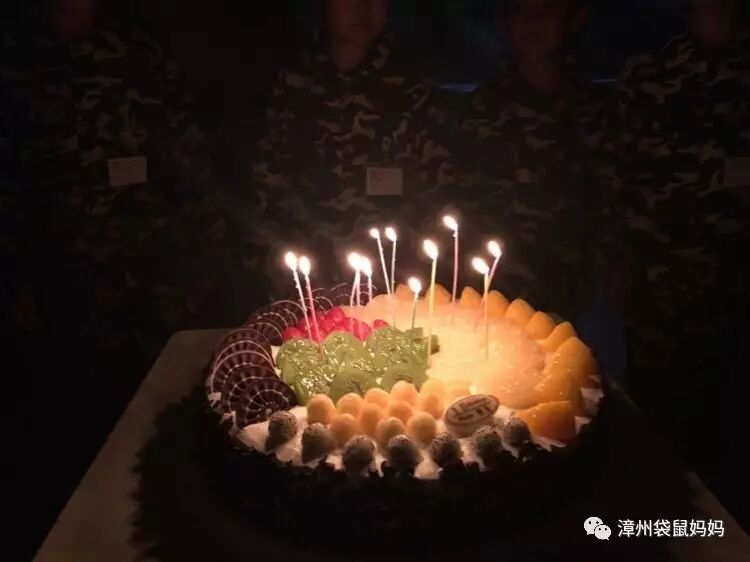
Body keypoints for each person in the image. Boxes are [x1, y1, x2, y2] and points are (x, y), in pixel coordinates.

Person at [0, 0, 232, 417]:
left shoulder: (139, 46)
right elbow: (9, 177)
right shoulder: (20, 55)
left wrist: (208, 248)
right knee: (95, 407)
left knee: (169, 396)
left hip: (159, 260)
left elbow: (188, 154)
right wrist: (13, 278)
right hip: (74, 272)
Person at [617, 0, 749, 486]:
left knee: (714, 430)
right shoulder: (648, 73)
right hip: (651, 289)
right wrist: (614, 262)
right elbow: (614, 177)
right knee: (650, 429)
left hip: (729, 292)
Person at [249, 0, 450, 295]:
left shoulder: (413, 86)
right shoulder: (292, 81)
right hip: (305, 281)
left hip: (391, 283)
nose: (362, 7)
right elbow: (267, 182)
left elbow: (438, 188)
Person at [451, 0, 619, 322]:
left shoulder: (594, 109)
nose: (532, 21)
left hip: (579, 293)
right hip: (496, 296)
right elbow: (459, 203)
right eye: (519, 9)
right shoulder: (483, 109)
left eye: (546, 9)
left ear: (575, 18)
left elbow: (611, 196)